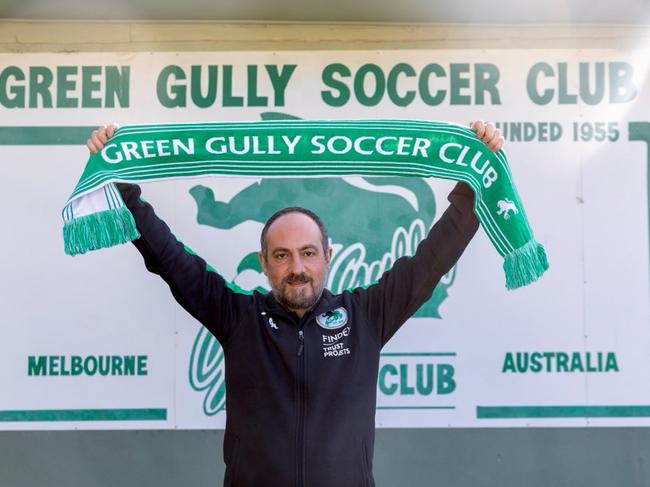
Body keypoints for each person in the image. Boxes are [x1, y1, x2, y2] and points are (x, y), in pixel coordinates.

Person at [87, 121, 504, 487]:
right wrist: (121, 187)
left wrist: (474, 183)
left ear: (328, 256)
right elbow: (170, 258)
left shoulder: (366, 316)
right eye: (282, 255)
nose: (297, 268)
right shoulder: (238, 317)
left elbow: (431, 261)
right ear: (265, 263)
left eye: (308, 253)